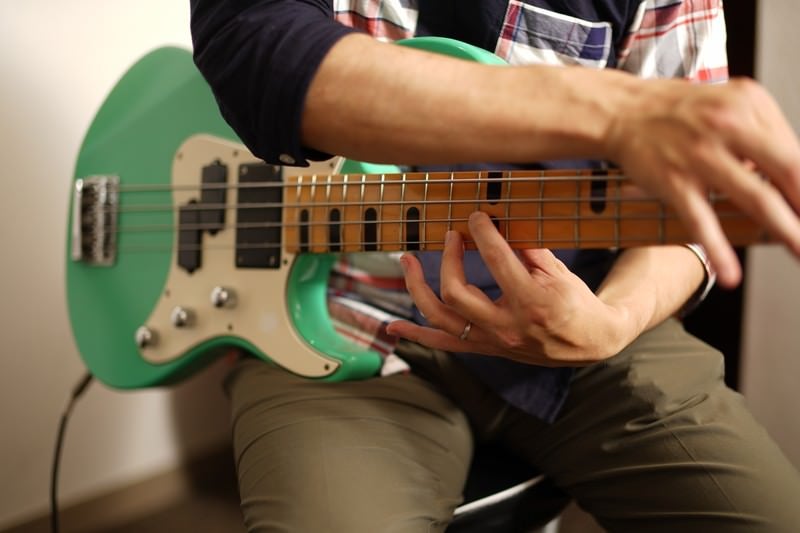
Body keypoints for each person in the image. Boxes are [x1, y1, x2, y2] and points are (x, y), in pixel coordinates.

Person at [190, 1, 800, 531]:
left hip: (589, 305)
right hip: (338, 319)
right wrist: (611, 109)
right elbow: (255, 47)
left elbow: (686, 206)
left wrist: (616, 319)